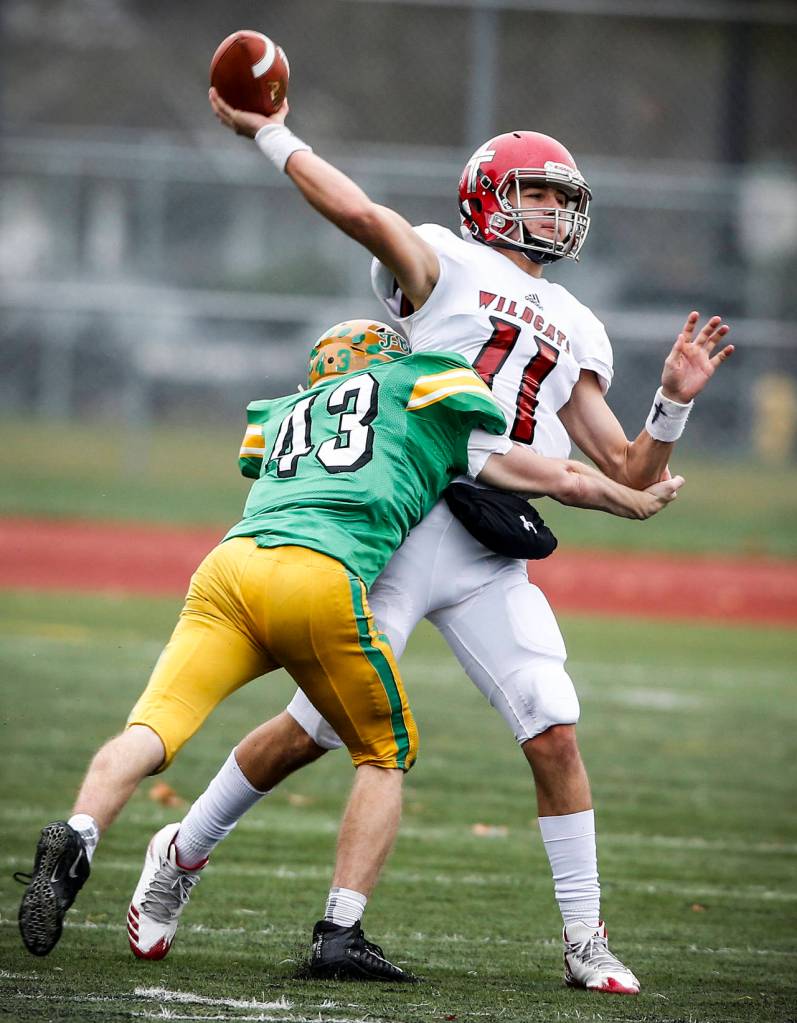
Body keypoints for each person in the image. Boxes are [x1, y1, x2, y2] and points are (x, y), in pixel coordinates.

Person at [160, 91, 735, 995]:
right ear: (487, 197)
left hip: (489, 548)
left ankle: (586, 938)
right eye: (537, 195)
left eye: (560, 199)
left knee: (552, 727)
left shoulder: (578, 324)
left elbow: (627, 467)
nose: (554, 212)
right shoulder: (447, 261)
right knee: (314, 729)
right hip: (408, 516)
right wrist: (269, 133)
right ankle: (182, 848)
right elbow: (354, 210)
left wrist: (673, 399)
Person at [16, 319, 680, 980]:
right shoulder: (424, 382)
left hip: (230, 566)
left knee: (153, 726)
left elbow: (277, 451)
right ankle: (338, 927)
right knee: (382, 752)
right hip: (324, 576)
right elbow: (552, 472)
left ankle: (80, 832)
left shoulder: (283, 411)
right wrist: (632, 499)